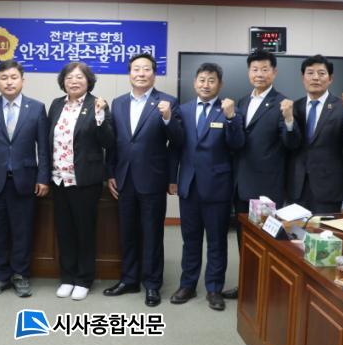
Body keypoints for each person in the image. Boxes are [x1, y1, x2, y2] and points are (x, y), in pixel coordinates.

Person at [104, 53, 183, 307]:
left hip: (153, 178)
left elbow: (178, 141)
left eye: (146, 69)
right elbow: (113, 143)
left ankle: (152, 284)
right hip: (124, 178)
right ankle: (129, 280)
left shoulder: (167, 102)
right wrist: (110, 173)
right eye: (136, 69)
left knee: (152, 234)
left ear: (154, 74)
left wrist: (168, 118)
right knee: (127, 232)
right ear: (129, 74)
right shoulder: (118, 103)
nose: (141, 73)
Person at [224, 49, 299, 300]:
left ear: (274, 72)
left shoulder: (283, 103)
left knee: (266, 241)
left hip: (266, 187)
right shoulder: (242, 102)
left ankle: (267, 291)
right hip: (240, 184)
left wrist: (289, 119)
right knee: (244, 239)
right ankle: (247, 286)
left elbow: (291, 143)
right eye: (255, 69)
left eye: (265, 69)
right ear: (249, 72)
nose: (259, 74)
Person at [170, 63, 244, 311]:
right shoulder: (183, 110)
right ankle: (187, 285)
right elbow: (176, 146)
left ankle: (214, 288)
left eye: (211, 80)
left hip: (217, 187)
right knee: (190, 240)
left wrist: (231, 118)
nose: (206, 85)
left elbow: (237, 144)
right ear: (195, 83)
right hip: (189, 185)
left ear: (220, 85)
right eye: (202, 80)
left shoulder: (229, 110)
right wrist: (172, 178)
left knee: (216, 242)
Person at [0, 59, 50, 298]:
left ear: (22, 80)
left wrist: (43, 177)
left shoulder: (36, 108)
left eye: (13, 77)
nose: (9, 82)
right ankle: (0, 274)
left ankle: (20, 274)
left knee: (22, 230)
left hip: (24, 179)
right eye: (4, 78)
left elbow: (43, 148)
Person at [48, 62, 114, 301]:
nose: (74, 81)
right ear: (63, 81)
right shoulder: (56, 104)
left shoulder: (98, 104)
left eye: (79, 77)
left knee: (84, 231)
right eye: (69, 77)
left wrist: (100, 117)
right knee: (64, 231)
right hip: (59, 180)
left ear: (88, 81)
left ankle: (84, 279)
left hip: (85, 180)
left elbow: (108, 142)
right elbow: (49, 140)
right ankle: (67, 277)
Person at [287, 55, 343, 213]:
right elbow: (290, 144)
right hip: (297, 186)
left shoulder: (342, 107)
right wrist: (288, 120)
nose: (315, 77)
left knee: (324, 229)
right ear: (303, 77)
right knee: (295, 229)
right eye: (310, 73)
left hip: (328, 188)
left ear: (330, 79)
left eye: (321, 73)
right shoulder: (294, 107)